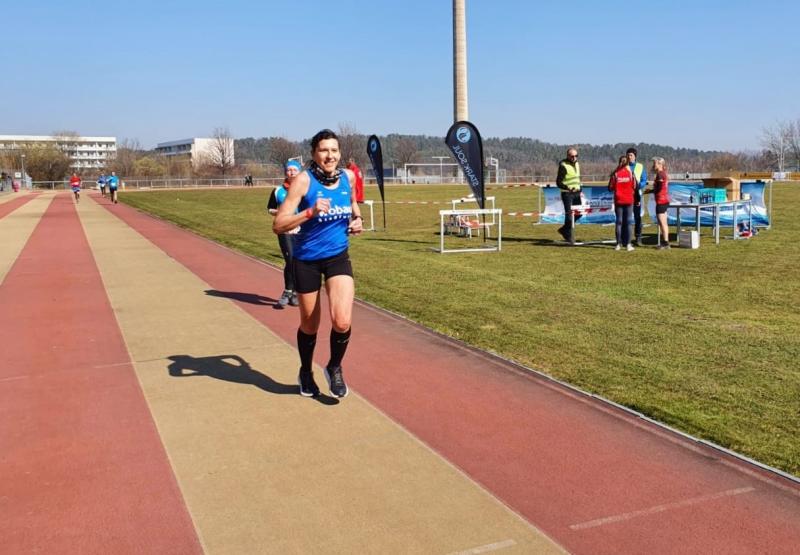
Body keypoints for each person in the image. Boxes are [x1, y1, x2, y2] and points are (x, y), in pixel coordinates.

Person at [273, 129, 363, 399]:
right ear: (314, 154)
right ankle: (305, 372)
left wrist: (357, 220)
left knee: (342, 321)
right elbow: (279, 224)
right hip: (307, 260)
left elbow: (352, 204)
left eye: (334, 150)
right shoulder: (303, 181)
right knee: (310, 325)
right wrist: (310, 212)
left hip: (337, 257)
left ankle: (334, 367)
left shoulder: (347, 177)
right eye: (324, 150)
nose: (330, 155)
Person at [267, 160, 302, 308]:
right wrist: (281, 212)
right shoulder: (278, 190)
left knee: (299, 261)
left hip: (301, 229)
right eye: (289, 170)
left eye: (295, 170)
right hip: (285, 229)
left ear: (299, 172)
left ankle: (294, 293)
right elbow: (270, 209)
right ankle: (287, 292)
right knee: (290, 259)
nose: (292, 172)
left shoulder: (305, 189)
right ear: (285, 173)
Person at [608, 155, 636, 251]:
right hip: (629, 200)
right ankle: (628, 245)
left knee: (619, 222)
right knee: (628, 222)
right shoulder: (631, 173)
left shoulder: (615, 174)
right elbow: (635, 186)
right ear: (628, 163)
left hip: (618, 200)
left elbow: (610, 187)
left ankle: (618, 244)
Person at [555, 147, 582, 243]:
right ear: (568, 156)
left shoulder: (577, 164)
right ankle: (569, 237)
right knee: (569, 215)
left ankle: (564, 229)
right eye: (572, 156)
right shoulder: (563, 165)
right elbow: (558, 182)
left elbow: (577, 179)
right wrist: (568, 188)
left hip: (577, 193)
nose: (574, 158)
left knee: (579, 214)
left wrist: (580, 189)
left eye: (576, 156)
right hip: (567, 194)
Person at [644, 157, 671, 249]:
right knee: (664, 223)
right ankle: (665, 242)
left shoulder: (660, 174)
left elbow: (660, 188)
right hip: (664, 200)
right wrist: (651, 191)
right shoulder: (662, 173)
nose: (653, 165)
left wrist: (653, 189)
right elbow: (660, 187)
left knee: (662, 223)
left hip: (661, 201)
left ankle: (665, 243)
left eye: (654, 163)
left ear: (660, 164)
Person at [626, 147, 648, 246]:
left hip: (636, 195)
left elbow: (644, 180)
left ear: (635, 156)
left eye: (631, 155)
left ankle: (638, 237)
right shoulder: (624, 166)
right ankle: (627, 238)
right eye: (628, 155)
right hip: (626, 195)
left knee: (637, 217)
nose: (629, 157)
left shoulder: (640, 166)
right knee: (627, 217)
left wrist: (639, 186)